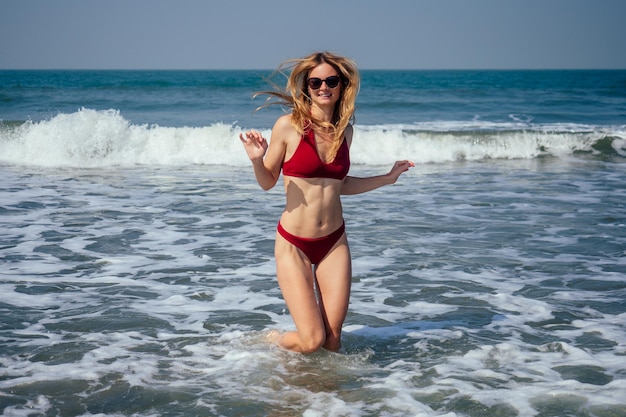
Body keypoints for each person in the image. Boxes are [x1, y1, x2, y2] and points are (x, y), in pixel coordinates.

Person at [239, 51, 413, 354]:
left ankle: (322, 394)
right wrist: (257, 160)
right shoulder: (288, 126)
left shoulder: (345, 132)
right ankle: (275, 340)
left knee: (332, 342)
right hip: (294, 243)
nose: (323, 87)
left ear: (341, 86)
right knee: (312, 341)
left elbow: (339, 185)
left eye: (331, 81)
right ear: (306, 86)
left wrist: (387, 178)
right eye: (315, 81)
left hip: (333, 241)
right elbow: (268, 182)